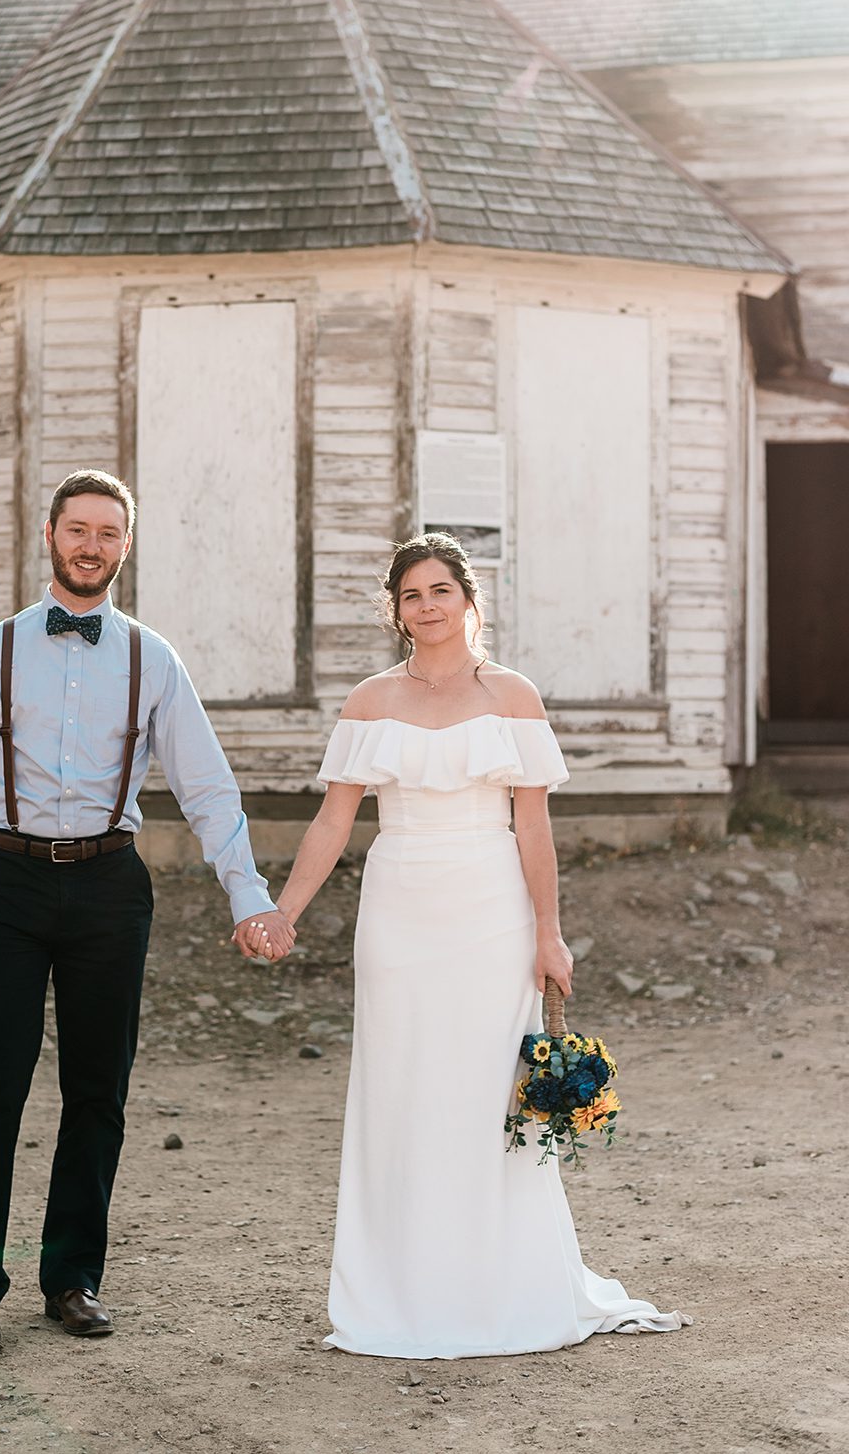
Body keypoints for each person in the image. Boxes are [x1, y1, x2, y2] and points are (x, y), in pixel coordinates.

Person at [248, 533, 688, 1359]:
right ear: (397, 610)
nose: (427, 606)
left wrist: (549, 935)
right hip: (400, 908)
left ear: (467, 599)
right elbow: (334, 821)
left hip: (493, 911)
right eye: (411, 595)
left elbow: (535, 831)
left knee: (488, 1096)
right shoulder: (370, 701)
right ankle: (401, 1291)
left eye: (441, 590)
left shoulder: (514, 695)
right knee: (404, 1087)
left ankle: (501, 1287)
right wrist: (285, 912)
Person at [0, 469, 293, 1356]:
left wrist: (249, 895)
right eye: (77, 529)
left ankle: (72, 1279)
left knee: (99, 1090)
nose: (91, 546)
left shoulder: (152, 658)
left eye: (108, 534)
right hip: (2, 883)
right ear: (50, 535)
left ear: (126, 546)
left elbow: (207, 788)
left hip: (108, 886)